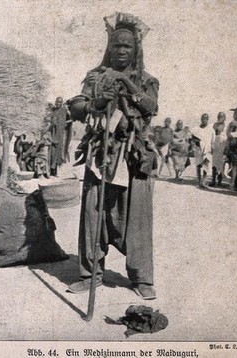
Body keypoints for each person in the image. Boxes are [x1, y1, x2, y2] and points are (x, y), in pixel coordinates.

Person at [67, 12, 159, 299]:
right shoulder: (95, 77)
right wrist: (97, 101)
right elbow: (76, 107)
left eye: (127, 46)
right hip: (102, 154)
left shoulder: (146, 79)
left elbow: (151, 107)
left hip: (134, 157)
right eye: (116, 45)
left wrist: (127, 84)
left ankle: (142, 278)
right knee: (94, 214)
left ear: (136, 49)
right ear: (109, 47)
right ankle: (90, 273)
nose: (121, 51)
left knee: (138, 218)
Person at [191, 113, 214, 188]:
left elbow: (213, 141)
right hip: (198, 149)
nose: (205, 120)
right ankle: (198, 180)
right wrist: (195, 143)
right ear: (201, 119)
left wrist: (212, 149)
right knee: (198, 165)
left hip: (207, 149)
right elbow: (192, 139)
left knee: (206, 165)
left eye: (206, 119)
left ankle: (203, 181)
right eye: (204, 118)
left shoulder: (211, 130)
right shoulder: (196, 129)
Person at [49, 97, 71, 176]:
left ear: (61, 103)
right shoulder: (53, 111)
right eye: (57, 102)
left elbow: (71, 118)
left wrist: (65, 123)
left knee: (58, 154)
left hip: (60, 134)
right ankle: (51, 170)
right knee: (52, 153)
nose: (58, 103)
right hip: (53, 133)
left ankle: (55, 171)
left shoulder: (64, 111)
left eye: (59, 102)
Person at [209, 112, 227, 186]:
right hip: (216, 144)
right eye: (219, 116)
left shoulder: (226, 126)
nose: (220, 118)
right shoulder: (215, 125)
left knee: (221, 164)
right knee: (214, 163)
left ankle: (219, 181)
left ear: (224, 118)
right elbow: (213, 134)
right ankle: (213, 180)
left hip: (223, 144)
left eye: (222, 117)